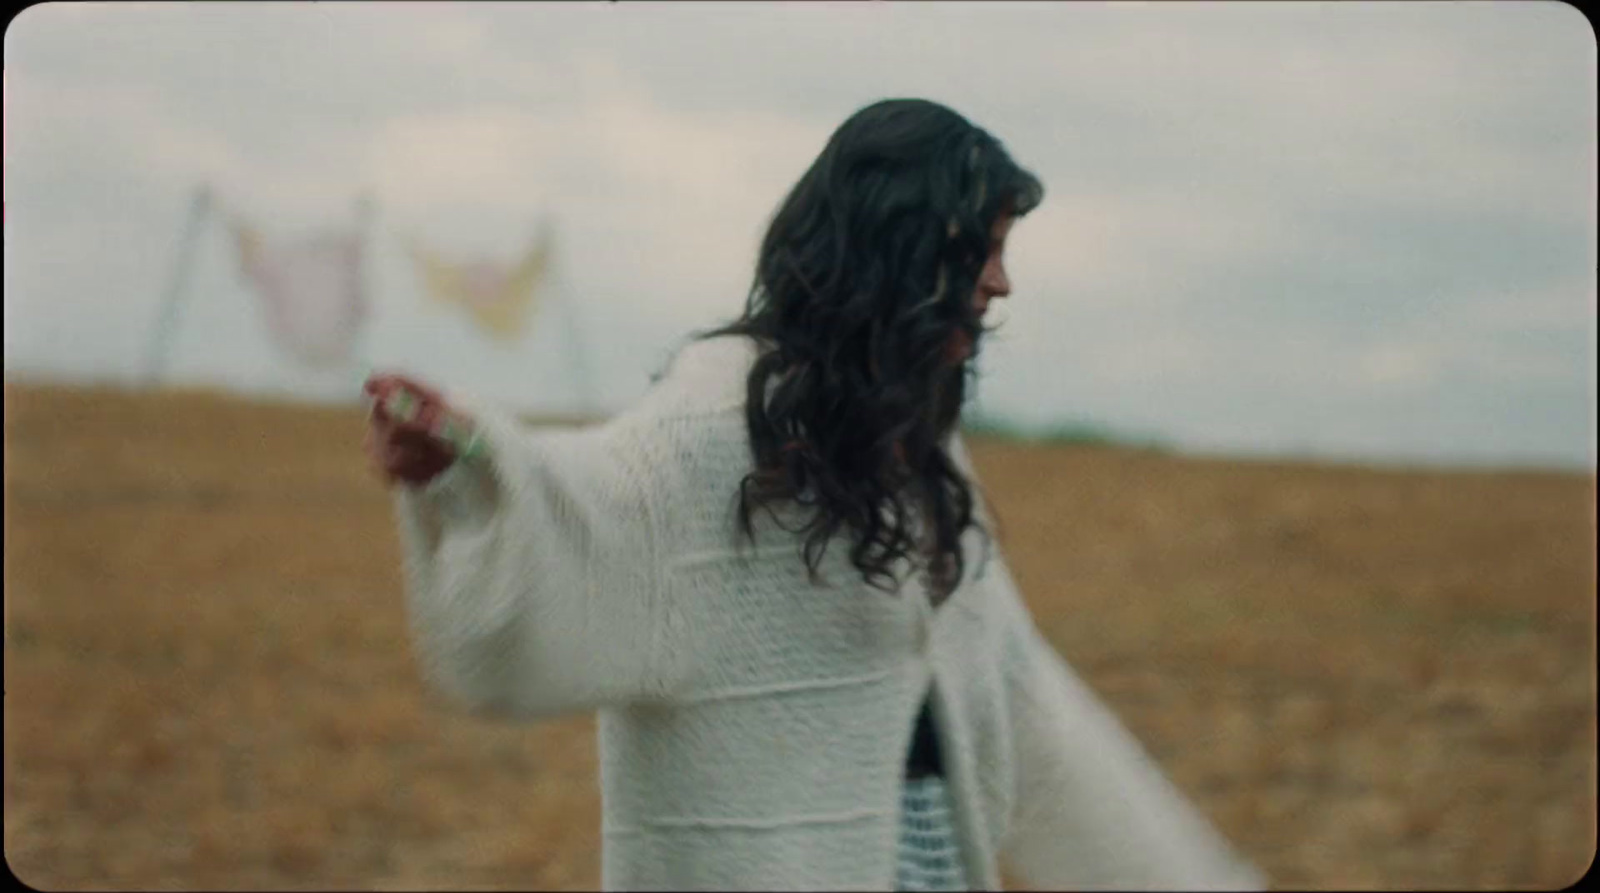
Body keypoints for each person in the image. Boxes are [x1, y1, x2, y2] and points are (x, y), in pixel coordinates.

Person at [363, 98, 1265, 892]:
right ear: (899, 247)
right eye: (982, 250)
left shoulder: (919, 443)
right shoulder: (710, 425)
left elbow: (1020, 690)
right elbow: (588, 512)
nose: (1001, 282)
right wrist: (471, 462)